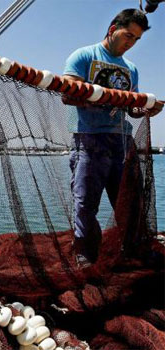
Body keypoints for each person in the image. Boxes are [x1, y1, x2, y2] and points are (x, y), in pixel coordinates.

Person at [63, 8, 164, 267]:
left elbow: (133, 110)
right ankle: (85, 253)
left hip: (122, 143)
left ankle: (134, 249)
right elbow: (67, 93)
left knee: (130, 202)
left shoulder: (131, 69)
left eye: (136, 40)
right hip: (90, 141)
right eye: (128, 35)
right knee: (85, 202)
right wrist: (102, 95)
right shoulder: (84, 55)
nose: (130, 43)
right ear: (112, 29)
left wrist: (147, 108)